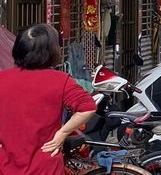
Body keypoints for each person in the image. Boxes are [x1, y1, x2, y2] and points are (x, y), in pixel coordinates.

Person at [0, 24, 96, 175]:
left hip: (7, 166)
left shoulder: (2, 79)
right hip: (46, 167)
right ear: (51, 52)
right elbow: (88, 107)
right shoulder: (60, 80)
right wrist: (63, 133)